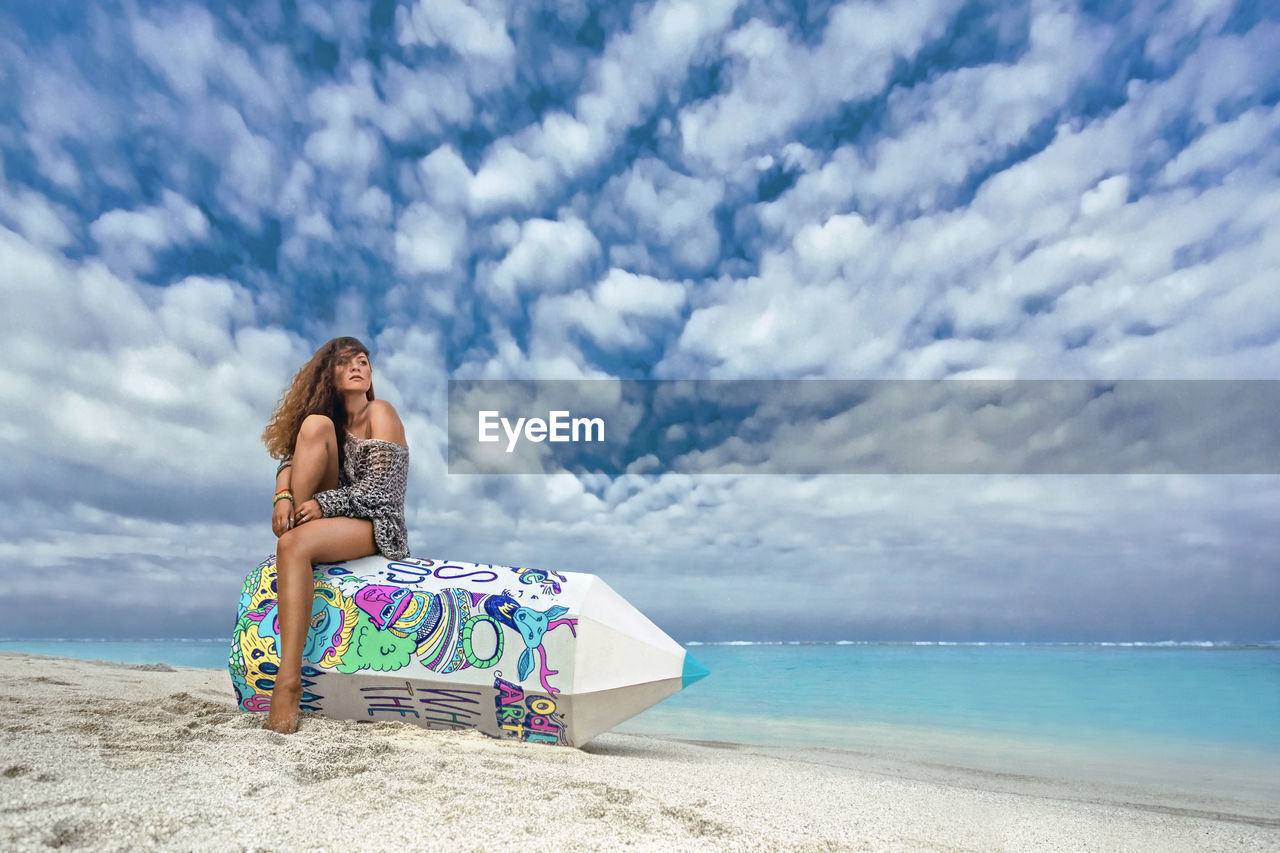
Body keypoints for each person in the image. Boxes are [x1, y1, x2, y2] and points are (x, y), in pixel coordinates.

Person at [259, 336, 410, 733]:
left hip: (375, 522)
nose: (358, 367)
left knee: (291, 545)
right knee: (313, 425)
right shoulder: (330, 425)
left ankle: (288, 683)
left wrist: (327, 505)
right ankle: (302, 536)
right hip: (326, 513)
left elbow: (383, 491)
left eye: (363, 361)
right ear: (331, 374)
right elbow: (291, 460)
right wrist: (283, 497)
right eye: (346, 363)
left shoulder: (381, 412)